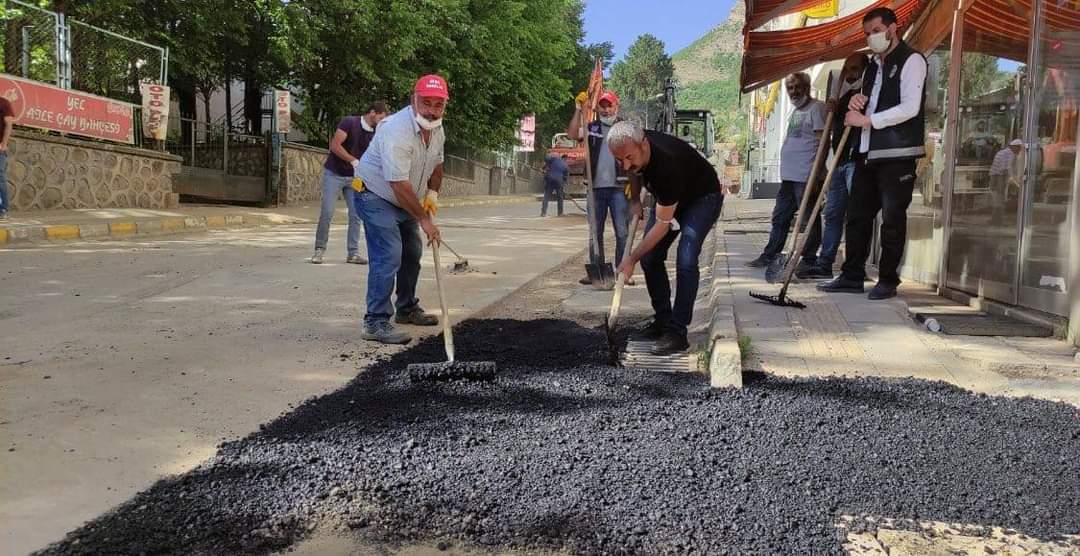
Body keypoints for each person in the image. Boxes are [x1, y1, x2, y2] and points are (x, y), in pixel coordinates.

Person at [818, 7, 928, 300]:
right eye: (868, 34)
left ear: (894, 28)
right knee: (857, 217)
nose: (872, 37)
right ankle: (852, 274)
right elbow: (872, 103)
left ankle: (888, 280)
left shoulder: (912, 60)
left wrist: (868, 120)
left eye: (876, 31)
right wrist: (857, 102)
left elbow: (909, 108)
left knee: (892, 218)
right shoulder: (872, 68)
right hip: (867, 152)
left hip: (897, 152)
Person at [608, 120, 724, 355]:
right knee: (651, 259)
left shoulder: (666, 165)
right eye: (620, 160)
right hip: (671, 198)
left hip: (701, 198)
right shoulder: (630, 145)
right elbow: (633, 170)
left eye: (629, 157)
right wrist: (635, 200)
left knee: (686, 259)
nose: (625, 165)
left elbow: (662, 225)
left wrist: (630, 259)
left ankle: (677, 332)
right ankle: (662, 320)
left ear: (644, 145)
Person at [352, 75, 448, 344]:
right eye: (425, 103)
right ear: (413, 100)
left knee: (412, 253)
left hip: (405, 199)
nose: (431, 111)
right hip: (375, 195)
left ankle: (406, 309)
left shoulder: (437, 129)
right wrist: (424, 219)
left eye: (438, 105)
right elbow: (397, 183)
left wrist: (432, 194)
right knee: (389, 254)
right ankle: (375, 321)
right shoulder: (396, 130)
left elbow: (437, 163)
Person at [796, 53, 869, 280]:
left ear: (864, 70)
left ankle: (855, 268)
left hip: (857, 162)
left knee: (856, 217)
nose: (850, 73)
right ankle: (824, 262)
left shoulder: (867, 95)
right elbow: (830, 130)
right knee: (832, 214)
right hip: (839, 162)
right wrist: (833, 109)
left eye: (855, 68)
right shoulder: (841, 96)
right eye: (847, 68)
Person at [745, 72, 827, 271]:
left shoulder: (816, 109)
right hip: (789, 178)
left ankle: (808, 260)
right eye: (790, 88)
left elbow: (823, 142)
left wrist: (815, 172)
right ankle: (770, 255)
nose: (794, 91)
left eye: (797, 86)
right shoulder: (796, 111)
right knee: (780, 217)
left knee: (808, 220)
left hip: (805, 176)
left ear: (807, 87)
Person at [311, 101, 390, 264]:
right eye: (381, 117)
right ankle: (319, 250)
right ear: (373, 113)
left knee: (356, 215)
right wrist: (353, 160)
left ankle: (353, 253)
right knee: (327, 212)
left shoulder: (376, 133)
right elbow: (335, 145)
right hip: (334, 173)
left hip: (355, 178)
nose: (382, 122)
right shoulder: (350, 122)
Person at [567, 89, 632, 286]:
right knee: (595, 232)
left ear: (616, 106)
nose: (605, 110)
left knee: (622, 232)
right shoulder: (591, 128)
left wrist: (636, 189)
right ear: (598, 108)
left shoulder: (625, 129)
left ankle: (622, 272)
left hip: (620, 188)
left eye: (609, 105)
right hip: (595, 189)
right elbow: (571, 134)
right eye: (602, 106)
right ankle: (596, 270)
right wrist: (579, 110)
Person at [989, 139, 1022, 225]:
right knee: (1000, 199)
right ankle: (997, 221)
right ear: (1014, 147)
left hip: (994, 175)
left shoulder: (1003, 152)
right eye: (1019, 148)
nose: (1020, 150)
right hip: (999, 176)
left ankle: (996, 220)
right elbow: (1007, 168)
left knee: (997, 198)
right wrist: (1013, 179)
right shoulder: (1010, 154)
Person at [541, 152, 568, 217]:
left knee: (546, 196)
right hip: (559, 181)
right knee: (560, 197)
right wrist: (563, 183)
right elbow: (565, 176)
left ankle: (543, 213)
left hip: (550, 179)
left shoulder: (553, 160)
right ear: (565, 159)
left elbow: (546, 163)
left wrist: (544, 170)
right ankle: (560, 213)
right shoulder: (565, 165)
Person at [0, 94, 13, 219]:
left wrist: (4, 143)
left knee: (0, 177)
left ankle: (3, 208)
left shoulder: (4, 103)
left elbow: (9, 124)